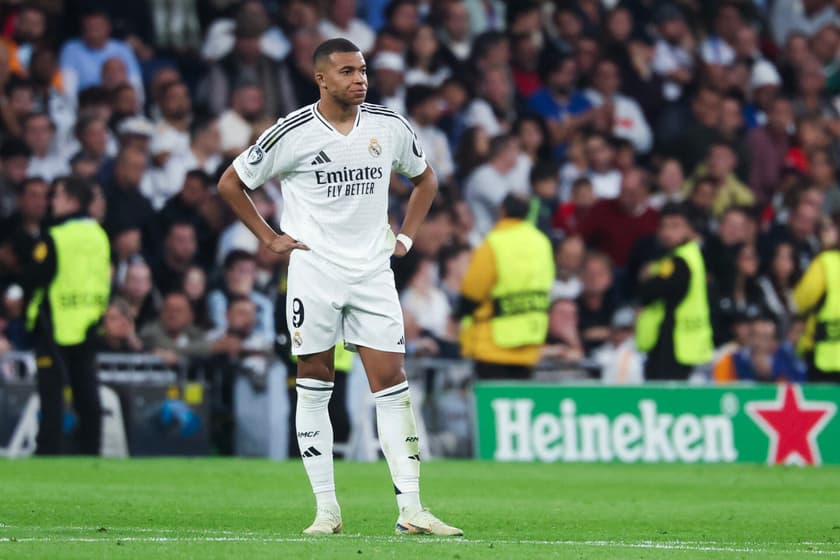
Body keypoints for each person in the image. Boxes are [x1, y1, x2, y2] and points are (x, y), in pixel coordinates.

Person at [217, 39, 461, 536]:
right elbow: (230, 182)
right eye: (348, 71)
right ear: (321, 79)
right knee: (315, 381)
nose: (360, 78)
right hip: (315, 271)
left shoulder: (388, 127)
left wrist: (407, 237)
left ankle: (411, 509)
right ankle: (326, 510)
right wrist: (268, 238)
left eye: (363, 70)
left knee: (392, 384)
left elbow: (426, 180)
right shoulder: (293, 131)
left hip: (373, 271)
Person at [22, 176, 111, 455]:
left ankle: (47, 450)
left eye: (57, 196)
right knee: (87, 393)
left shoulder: (55, 237)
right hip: (88, 322)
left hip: (54, 324)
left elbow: (34, 278)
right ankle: (90, 451)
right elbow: (102, 278)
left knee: (52, 396)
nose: (52, 202)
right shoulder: (99, 234)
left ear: (73, 200)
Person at [455, 193, 555, 380]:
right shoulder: (543, 243)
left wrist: (458, 315)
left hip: (493, 346)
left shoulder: (494, 243)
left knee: (490, 407)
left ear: (502, 211)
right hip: (530, 343)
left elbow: (472, 292)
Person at [636, 203, 714, 380]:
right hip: (678, 342)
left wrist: (647, 277)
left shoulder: (681, 261)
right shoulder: (682, 256)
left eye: (675, 226)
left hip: (674, 341)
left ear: (689, 229)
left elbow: (651, 291)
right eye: (664, 226)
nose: (667, 232)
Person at [793, 216, 840, 381]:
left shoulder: (825, 263)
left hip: (825, 354)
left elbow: (799, 301)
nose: (823, 234)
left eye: (829, 229)